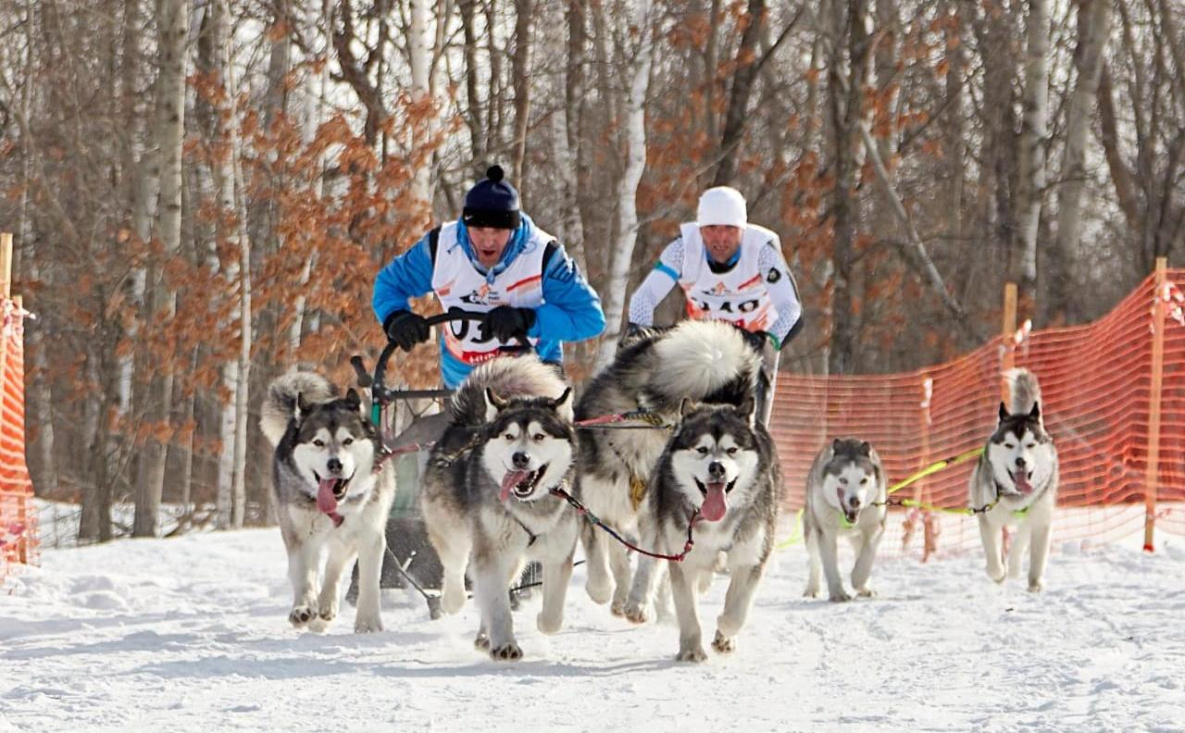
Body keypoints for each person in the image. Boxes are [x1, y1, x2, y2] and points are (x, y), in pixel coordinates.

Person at [373, 165, 606, 389]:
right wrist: (395, 317)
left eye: (498, 231)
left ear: (513, 229)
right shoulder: (440, 247)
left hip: (532, 371)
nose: (487, 241)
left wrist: (527, 320)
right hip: (465, 378)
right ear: (466, 225)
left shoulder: (544, 254)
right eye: (479, 230)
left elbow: (590, 319)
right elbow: (389, 284)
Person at [627, 185, 803, 425]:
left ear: (742, 228)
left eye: (730, 229)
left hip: (752, 342)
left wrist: (767, 340)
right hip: (706, 342)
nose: (720, 239)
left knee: (750, 417)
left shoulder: (762, 250)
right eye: (711, 229)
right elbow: (643, 299)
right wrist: (640, 336)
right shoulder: (683, 249)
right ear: (700, 229)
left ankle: (759, 441)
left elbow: (791, 309)